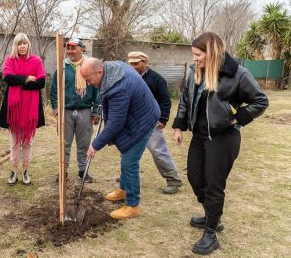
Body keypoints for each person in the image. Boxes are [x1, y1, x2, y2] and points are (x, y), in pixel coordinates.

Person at [172, 32, 268, 255]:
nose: (195, 58)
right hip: (199, 135)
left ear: (211, 53)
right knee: (195, 178)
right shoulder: (195, 73)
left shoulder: (237, 74)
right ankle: (212, 215)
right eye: (193, 55)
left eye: (198, 54)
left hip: (223, 138)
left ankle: (211, 233)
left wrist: (237, 118)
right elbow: (186, 100)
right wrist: (178, 126)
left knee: (214, 185)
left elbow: (261, 100)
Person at [82, 58, 160, 220]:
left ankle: (132, 205)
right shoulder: (110, 70)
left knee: (129, 161)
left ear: (99, 72)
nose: (89, 84)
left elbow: (115, 124)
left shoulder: (118, 88)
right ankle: (124, 190)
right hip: (136, 114)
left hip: (144, 121)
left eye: (89, 80)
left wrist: (95, 145)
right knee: (126, 156)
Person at [126, 51, 183, 194]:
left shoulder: (157, 79)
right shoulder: (127, 77)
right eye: (131, 63)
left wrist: (163, 119)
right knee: (128, 151)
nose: (133, 66)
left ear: (145, 62)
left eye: (136, 63)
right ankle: (126, 177)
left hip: (151, 122)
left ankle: (173, 180)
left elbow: (165, 101)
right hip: (132, 122)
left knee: (158, 152)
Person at [0, 33, 46, 185]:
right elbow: (7, 78)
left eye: (25, 43)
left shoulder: (36, 60)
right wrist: (27, 78)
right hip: (15, 109)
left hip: (30, 109)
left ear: (28, 45)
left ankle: (25, 171)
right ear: (15, 46)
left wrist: (19, 81)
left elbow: (41, 83)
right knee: (14, 142)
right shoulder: (10, 60)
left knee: (27, 142)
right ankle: (13, 171)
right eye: (19, 44)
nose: (22, 46)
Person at [50, 38, 99, 183]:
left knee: (83, 143)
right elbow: (54, 90)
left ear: (82, 49)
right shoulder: (62, 67)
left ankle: (83, 171)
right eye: (68, 48)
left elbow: (97, 89)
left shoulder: (90, 66)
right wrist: (56, 106)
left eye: (74, 48)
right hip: (66, 111)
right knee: (64, 143)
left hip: (85, 111)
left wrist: (95, 111)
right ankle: (62, 171)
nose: (70, 51)